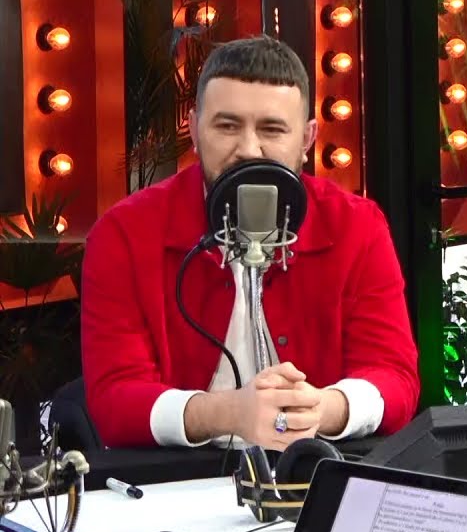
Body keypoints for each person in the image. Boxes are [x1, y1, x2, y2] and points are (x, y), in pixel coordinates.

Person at [80, 35, 420, 450]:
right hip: (177, 476)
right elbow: (114, 399)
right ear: (194, 128)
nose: (248, 149)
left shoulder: (358, 226)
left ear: (307, 139)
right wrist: (228, 414)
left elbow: (394, 377)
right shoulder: (123, 233)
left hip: (315, 464)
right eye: (227, 126)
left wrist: (322, 409)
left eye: (271, 129)